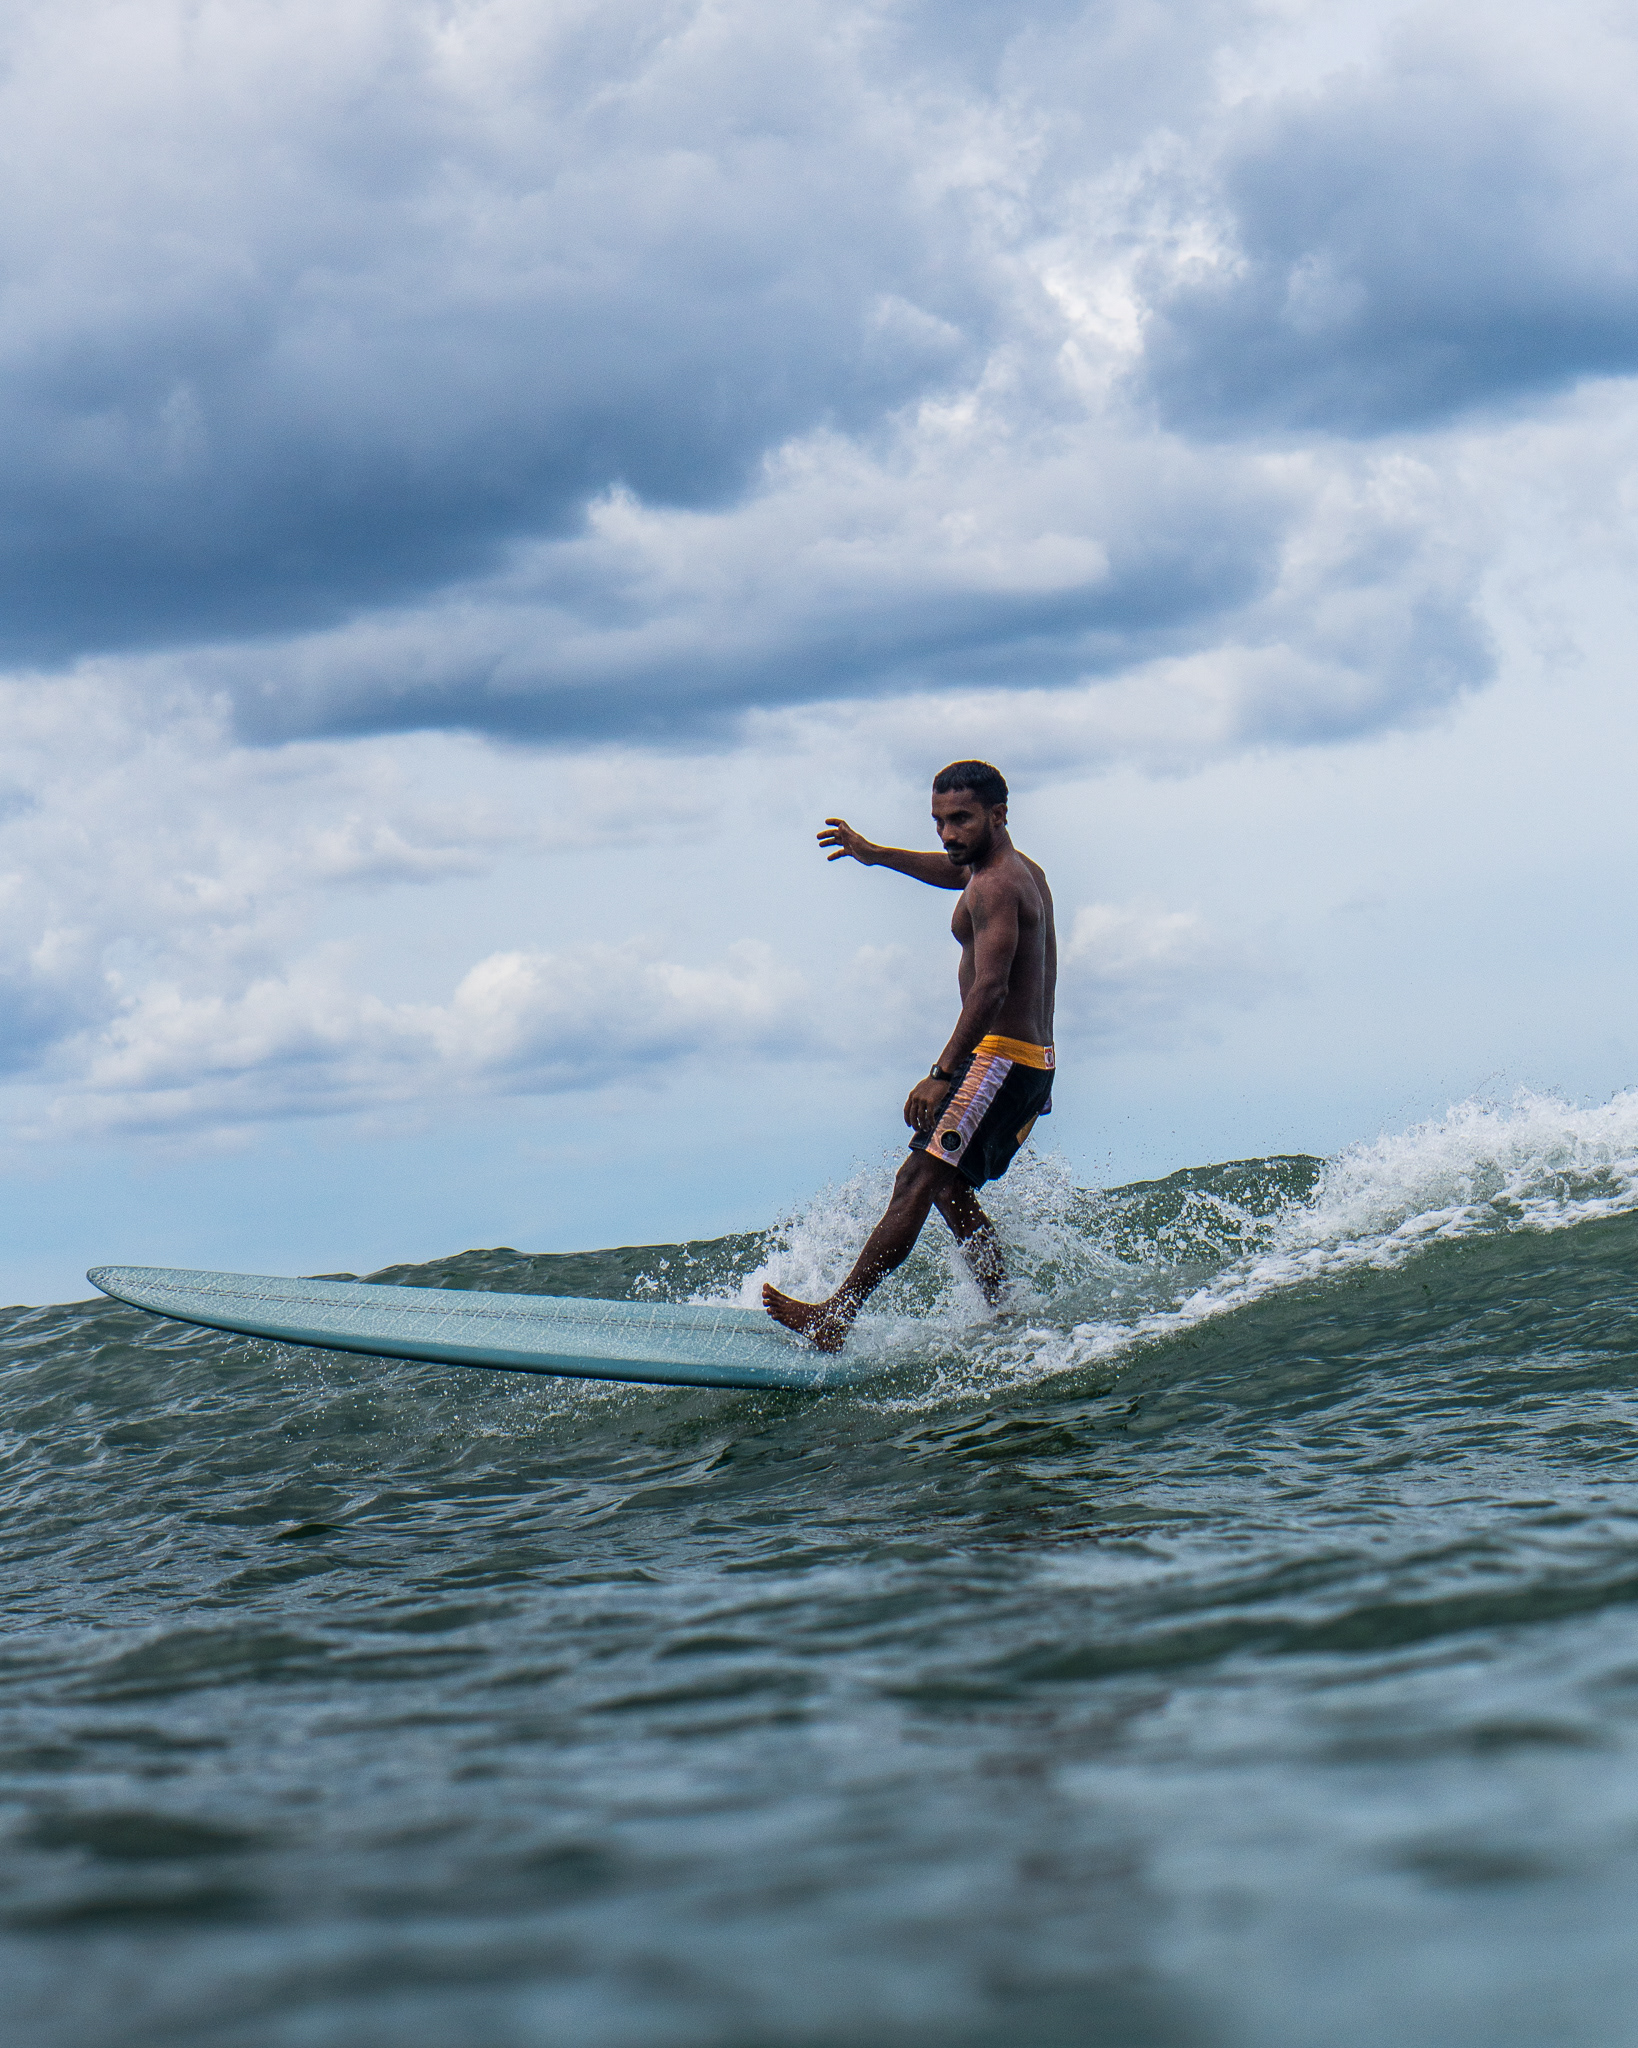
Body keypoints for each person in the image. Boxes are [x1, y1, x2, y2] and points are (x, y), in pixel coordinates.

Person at [762, 760, 1057, 1350]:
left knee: (916, 1178)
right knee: (946, 1186)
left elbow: (990, 989)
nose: (948, 835)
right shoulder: (1009, 871)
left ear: (998, 815)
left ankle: (835, 1317)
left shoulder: (997, 885)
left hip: (997, 1060)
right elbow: (952, 872)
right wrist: (875, 854)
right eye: (939, 821)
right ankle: (1008, 1309)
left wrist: (941, 1073)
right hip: (1024, 1061)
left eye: (962, 820)